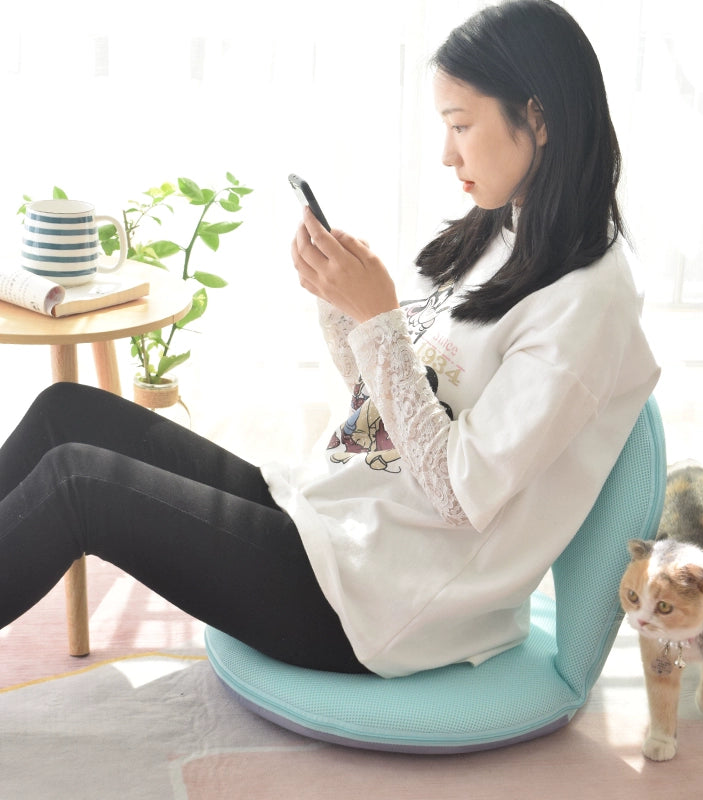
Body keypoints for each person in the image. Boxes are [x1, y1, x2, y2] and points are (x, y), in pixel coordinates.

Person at [0, 0, 658, 679]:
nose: (445, 153)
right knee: (66, 411)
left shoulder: (589, 302)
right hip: (337, 522)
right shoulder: (510, 228)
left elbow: (461, 495)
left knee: (78, 484)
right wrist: (342, 306)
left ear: (540, 117)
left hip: (375, 605)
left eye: (461, 125)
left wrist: (378, 322)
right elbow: (383, 415)